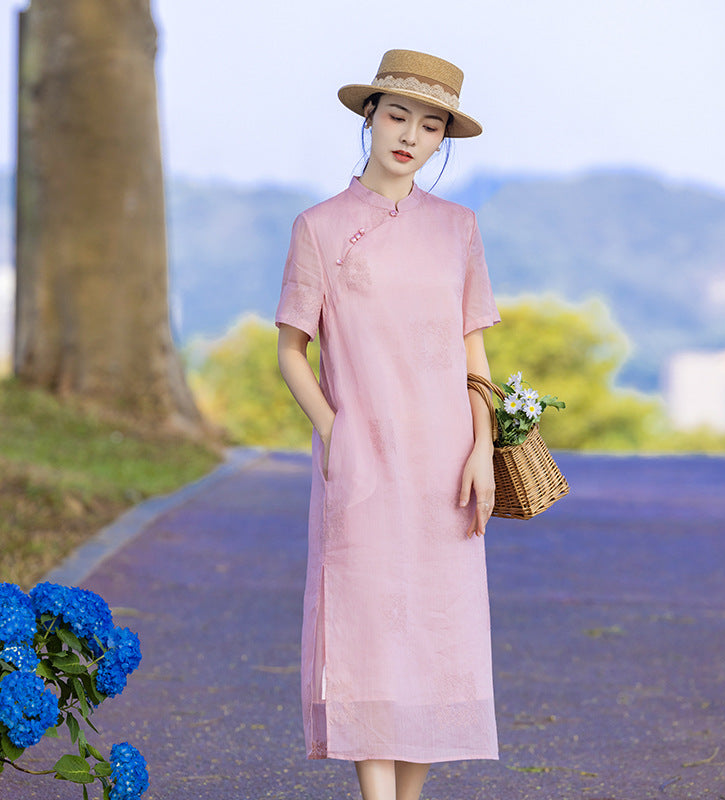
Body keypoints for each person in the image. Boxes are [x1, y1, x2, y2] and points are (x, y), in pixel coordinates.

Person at [275, 49, 501, 800]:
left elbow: (475, 351)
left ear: (443, 141)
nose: (410, 135)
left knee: (435, 633)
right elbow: (291, 352)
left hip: (445, 463)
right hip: (363, 461)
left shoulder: (458, 229)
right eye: (398, 115)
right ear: (370, 116)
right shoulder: (318, 228)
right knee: (369, 628)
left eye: (430, 125)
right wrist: (336, 433)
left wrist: (482, 448)